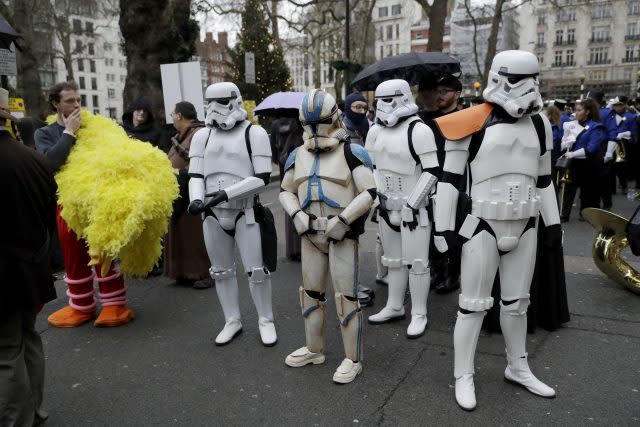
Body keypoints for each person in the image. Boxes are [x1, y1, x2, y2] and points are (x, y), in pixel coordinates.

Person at [433, 50, 561, 410]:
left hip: (526, 224)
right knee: (472, 307)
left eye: (535, 79)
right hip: (482, 225)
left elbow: (545, 180)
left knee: (517, 305)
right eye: (522, 80)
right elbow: (447, 180)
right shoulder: (470, 121)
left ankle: (517, 366)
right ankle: (463, 374)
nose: (530, 88)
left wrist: (553, 224)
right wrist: (443, 230)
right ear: (500, 78)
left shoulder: (539, 125)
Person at [280, 89, 375, 383]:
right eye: (307, 124)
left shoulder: (352, 152)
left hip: (341, 234)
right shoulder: (297, 156)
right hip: (310, 233)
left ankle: (353, 359)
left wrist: (345, 219)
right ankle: (314, 349)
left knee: (346, 298)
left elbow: (370, 191)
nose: (313, 130)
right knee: (310, 295)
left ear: (334, 118)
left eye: (318, 122)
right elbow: (286, 191)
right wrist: (297, 215)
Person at [35, 81, 134, 328]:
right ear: (56, 103)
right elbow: (50, 163)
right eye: (70, 101)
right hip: (66, 203)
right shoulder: (44, 133)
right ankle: (81, 306)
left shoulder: (94, 127)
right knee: (73, 255)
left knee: (103, 251)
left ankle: (113, 304)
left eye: (78, 100)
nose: (77, 105)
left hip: (98, 201)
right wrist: (68, 132)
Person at [187, 82, 277, 346]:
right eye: (210, 102)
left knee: (257, 271)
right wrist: (195, 198)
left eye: (222, 102)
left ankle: (265, 319)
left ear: (236, 101)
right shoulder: (202, 136)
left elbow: (262, 177)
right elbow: (196, 174)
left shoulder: (255, 133)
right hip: (212, 214)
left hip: (244, 211)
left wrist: (227, 194)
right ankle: (232, 319)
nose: (215, 109)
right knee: (221, 271)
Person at [0, 88, 56, 426]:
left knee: (7, 351)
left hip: (3, 273)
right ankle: (35, 409)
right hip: (32, 265)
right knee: (28, 338)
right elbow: (48, 218)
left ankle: (16, 420)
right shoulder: (35, 158)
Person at [366, 79, 438, 339]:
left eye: (389, 99)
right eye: (380, 100)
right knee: (393, 261)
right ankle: (394, 305)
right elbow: (371, 167)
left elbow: (431, 171)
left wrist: (412, 203)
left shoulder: (419, 130)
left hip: (414, 208)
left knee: (417, 263)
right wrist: (376, 197)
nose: (384, 106)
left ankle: (419, 312)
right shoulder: (374, 131)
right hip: (387, 205)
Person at [419, 73, 464, 295]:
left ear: (457, 94)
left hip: (456, 181)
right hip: (431, 178)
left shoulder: (466, 118)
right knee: (432, 228)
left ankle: (453, 275)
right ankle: (437, 271)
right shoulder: (428, 119)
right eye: (437, 91)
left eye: (445, 91)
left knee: (452, 229)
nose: (439, 95)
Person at [164, 101, 211, 289]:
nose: (172, 117)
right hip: (178, 191)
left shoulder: (199, 133)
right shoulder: (181, 136)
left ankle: (202, 272)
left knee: (194, 234)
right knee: (179, 232)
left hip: (192, 190)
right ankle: (182, 272)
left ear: (178, 116)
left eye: (173, 114)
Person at [559, 98, 607, 222]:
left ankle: (585, 213)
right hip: (573, 163)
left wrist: (573, 154)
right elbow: (562, 146)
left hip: (588, 164)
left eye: (579, 110)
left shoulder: (596, 127)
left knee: (587, 191)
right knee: (569, 190)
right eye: (576, 110)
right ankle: (564, 214)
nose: (576, 112)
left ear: (588, 112)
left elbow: (592, 148)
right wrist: (566, 140)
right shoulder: (571, 124)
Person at [603, 96, 638, 199]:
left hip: (623, 145)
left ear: (624, 105)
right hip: (610, 143)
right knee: (610, 167)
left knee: (621, 167)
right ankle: (611, 189)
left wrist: (626, 134)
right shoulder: (610, 116)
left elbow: (634, 134)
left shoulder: (631, 117)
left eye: (619, 105)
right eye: (615, 105)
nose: (617, 107)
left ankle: (624, 186)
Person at [278, 120, 303, 261]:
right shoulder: (297, 136)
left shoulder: (291, 136)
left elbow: (281, 157)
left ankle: (293, 250)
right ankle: (298, 250)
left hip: (292, 178)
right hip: (297, 179)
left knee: (292, 214)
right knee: (298, 212)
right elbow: (283, 157)